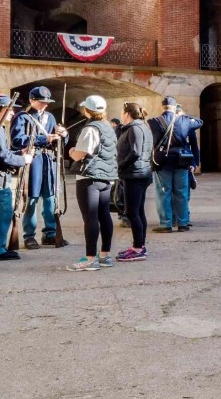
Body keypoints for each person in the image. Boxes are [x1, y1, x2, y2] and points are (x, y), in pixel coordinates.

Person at [10, 86, 67, 249]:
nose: (45, 105)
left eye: (46, 102)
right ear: (32, 100)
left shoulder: (50, 117)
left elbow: (58, 139)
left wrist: (63, 134)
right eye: (41, 102)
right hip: (33, 160)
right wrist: (44, 139)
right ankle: (29, 236)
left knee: (50, 198)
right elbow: (17, 140)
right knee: (31, 199)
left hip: (49, 160)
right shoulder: (22, 117)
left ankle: (50, 233)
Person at [66, 96, 119, 271]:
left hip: (89, 177)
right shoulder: (108, 127)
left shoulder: (90, 128)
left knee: (90, 218)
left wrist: (71, 151)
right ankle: (104, 255)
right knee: (104, 216)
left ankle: (90, 259)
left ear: (87, 110)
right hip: (106, 176)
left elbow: (80, 154)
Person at [149, 97, 203, 232]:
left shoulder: (153, 122)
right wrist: (183, 116)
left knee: (163, 193)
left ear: (163, 107)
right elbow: (199, 122)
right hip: (181, 162)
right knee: (182, 193)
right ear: (174, 107)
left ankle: (166, 224)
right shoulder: (184, 120)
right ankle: (183, 223)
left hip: (163, 163)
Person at [0, 95, 28, 261]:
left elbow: (2, 152)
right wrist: (23, 160)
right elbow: (1, 156)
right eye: (7, 109)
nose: (12, 113)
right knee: (3, 213)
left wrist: (18, 154)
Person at [115, 102, 154, 261]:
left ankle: (138, 248)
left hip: (135, 175)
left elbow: (136, 152)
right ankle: (140, 245)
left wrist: (120, 165)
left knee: (132, 212)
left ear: (127, 114)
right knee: (138, 211)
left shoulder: (135, 128)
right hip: (139, 173)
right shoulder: (141, 126)